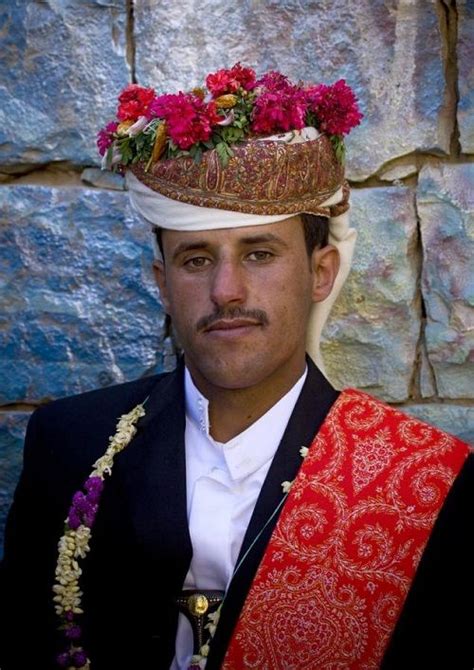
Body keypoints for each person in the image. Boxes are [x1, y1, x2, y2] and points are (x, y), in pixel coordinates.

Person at [0, 64, 472, 670]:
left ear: (322, 272)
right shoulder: (68, 443)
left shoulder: (423, 480)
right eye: (196, 259)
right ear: (163, 285)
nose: (227, 289)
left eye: (259, 253)